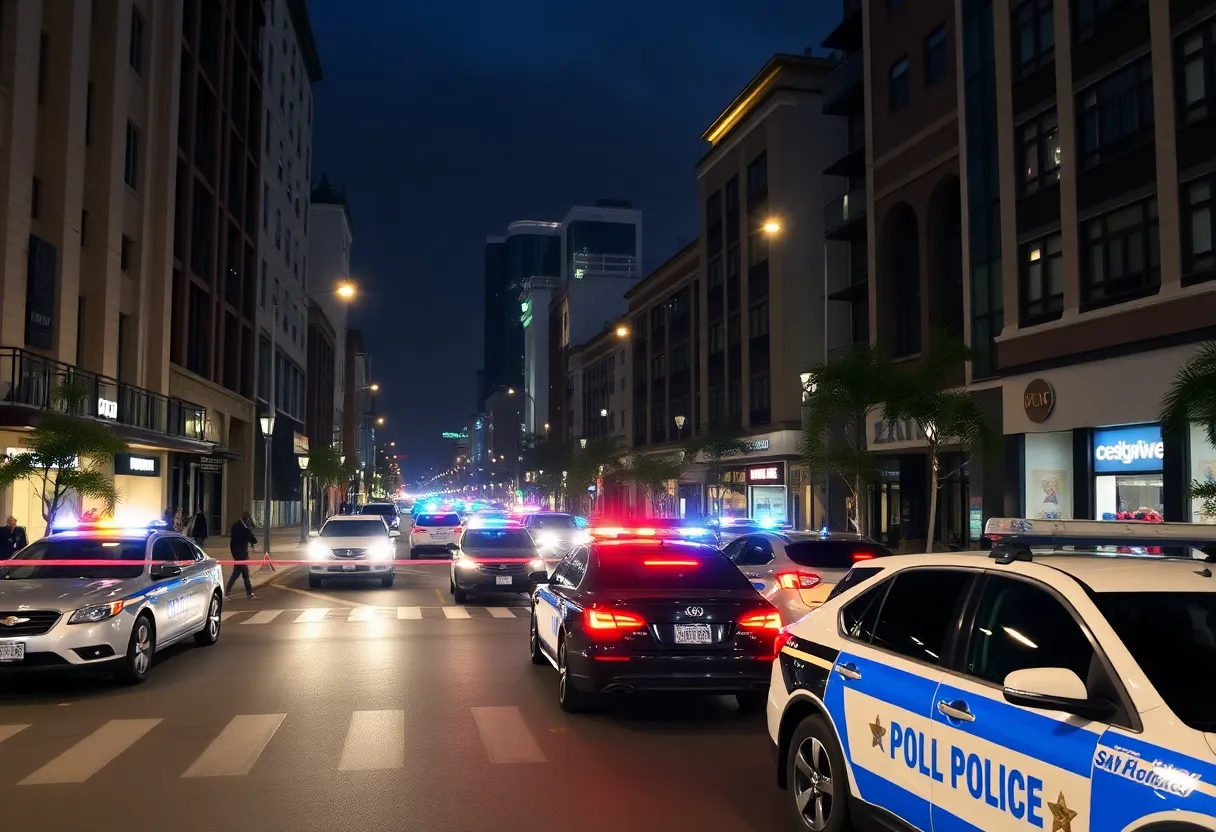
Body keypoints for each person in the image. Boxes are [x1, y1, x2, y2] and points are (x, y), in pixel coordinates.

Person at [226, 511, 259, 600]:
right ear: (247, 519)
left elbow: (232, 542)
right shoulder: (245, 529)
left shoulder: (235, 526)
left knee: (240, 573)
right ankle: (248, 593)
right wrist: (250, 530)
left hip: (236, 553)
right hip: (241, 554)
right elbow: (254, 540)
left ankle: (248, 593)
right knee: (243, 574)